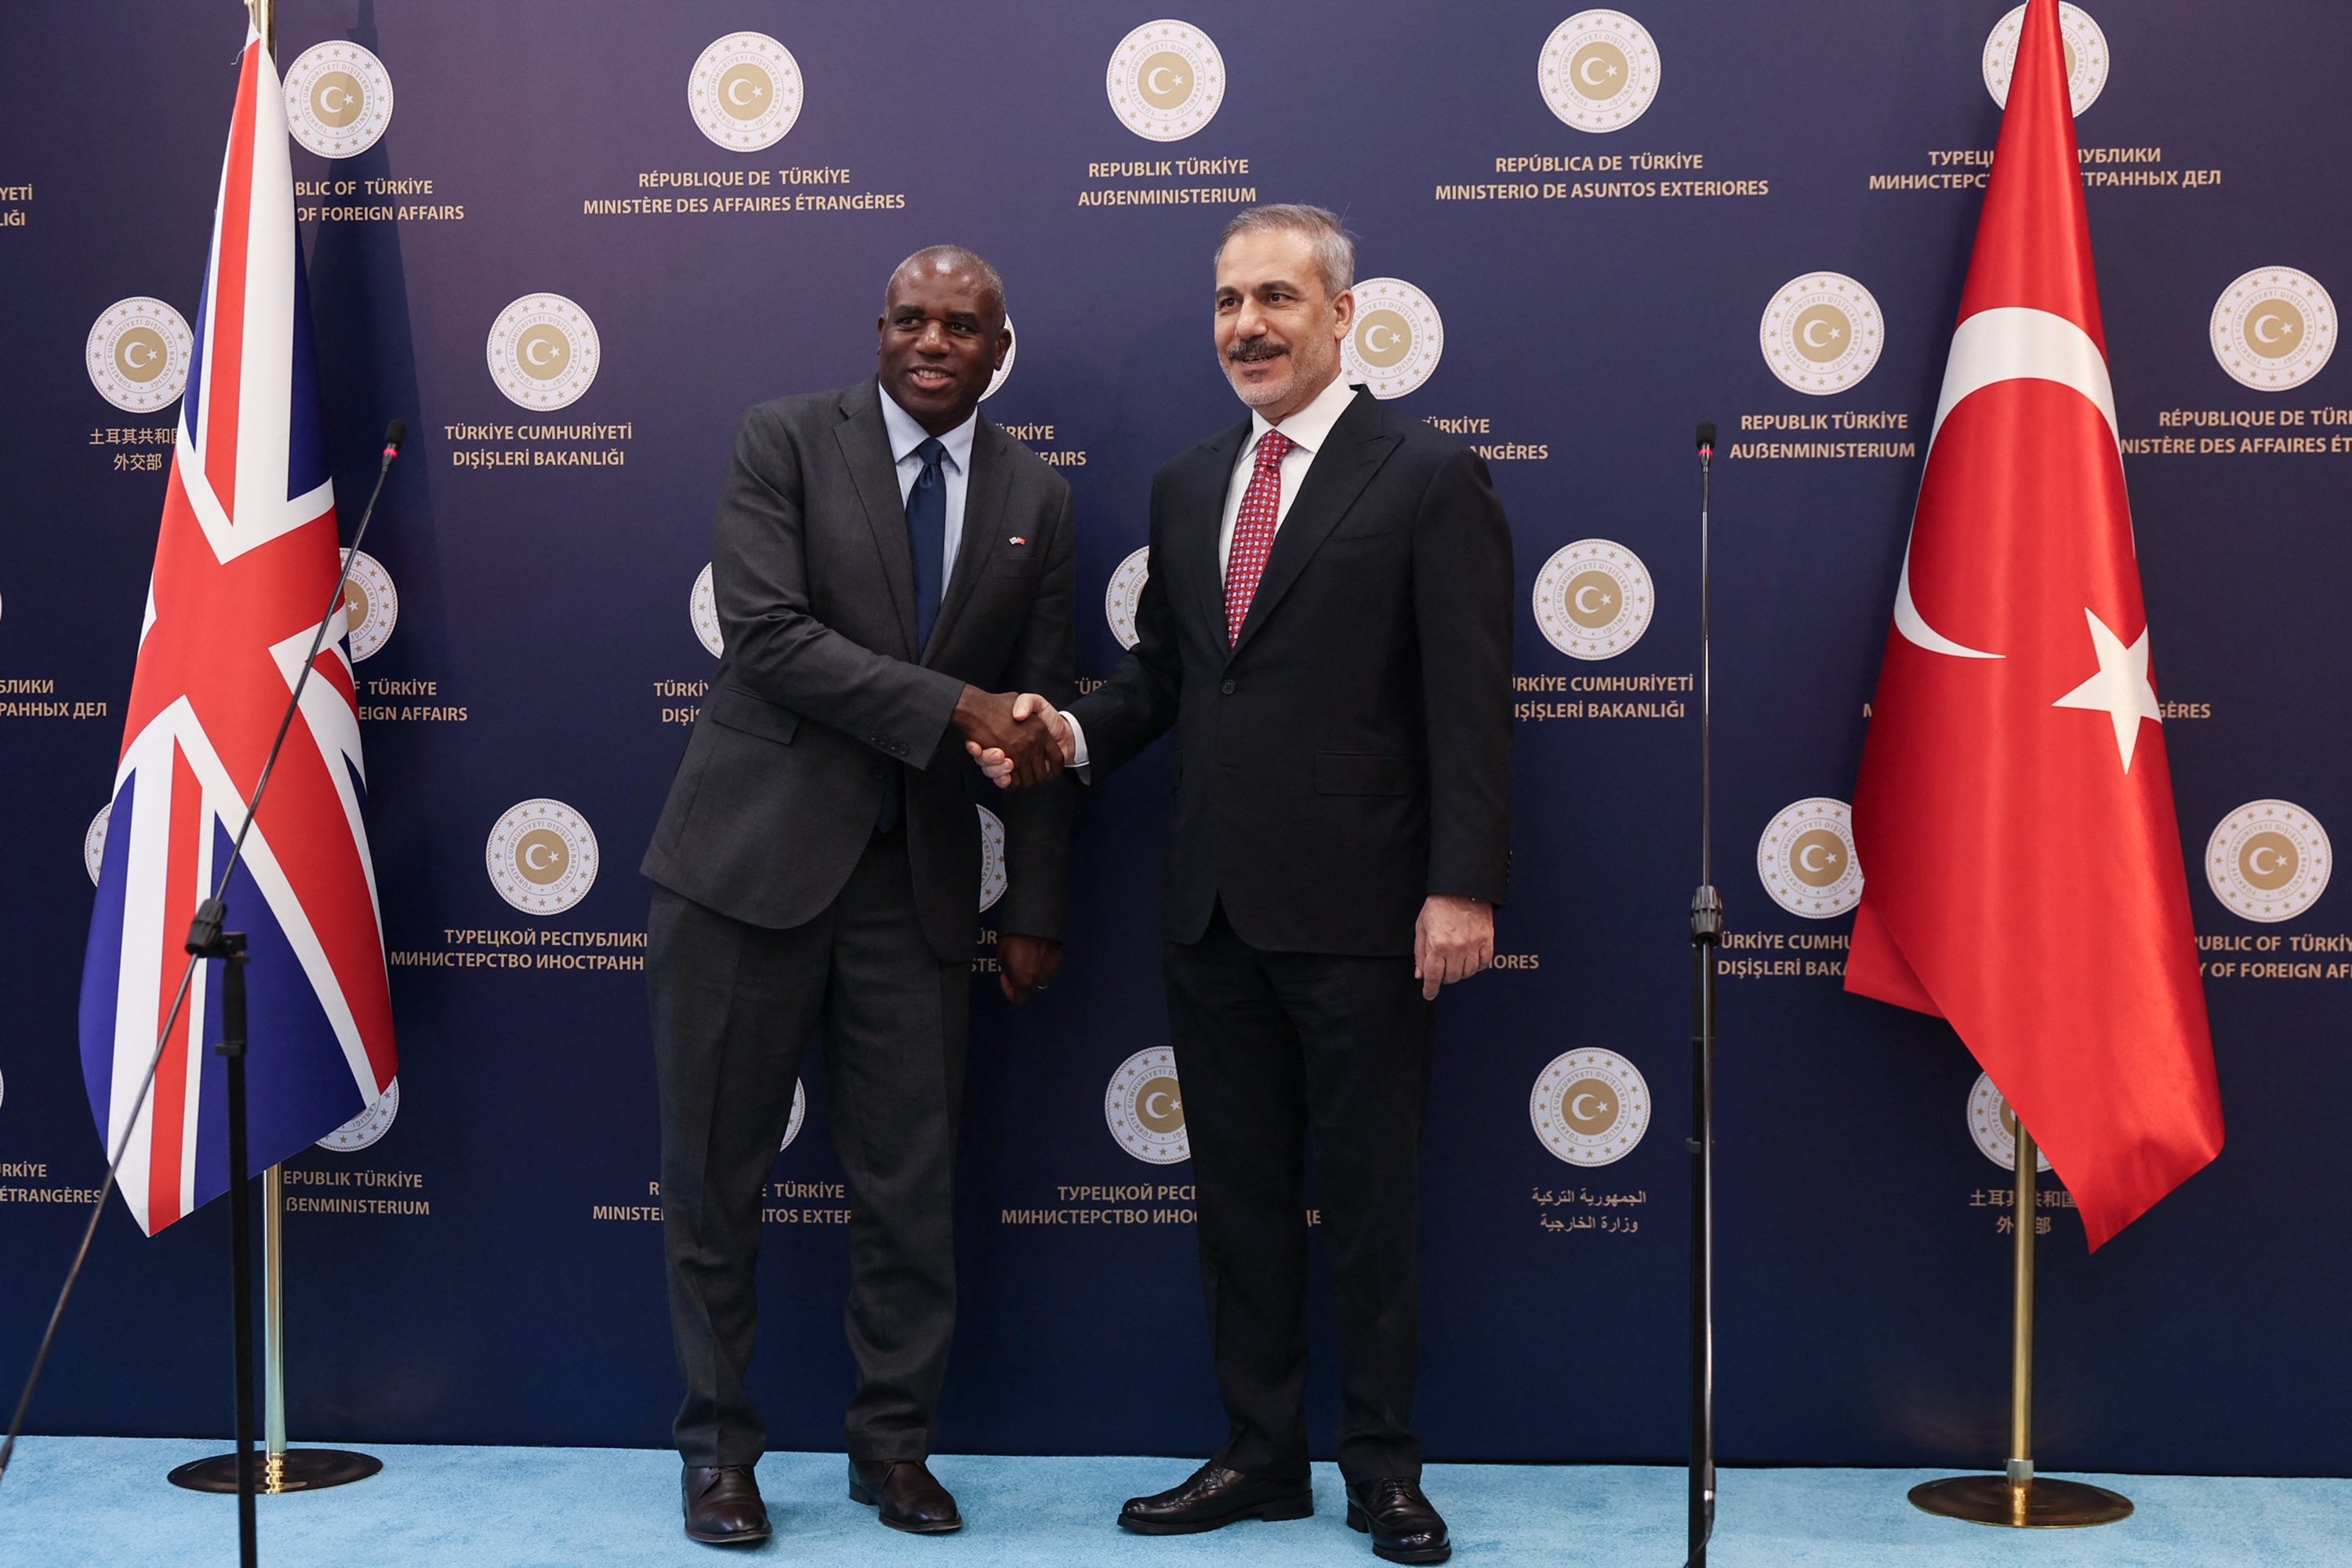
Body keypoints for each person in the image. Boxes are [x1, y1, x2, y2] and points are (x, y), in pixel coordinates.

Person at [975, 205, 1513, 1565]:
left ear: (1344, 312)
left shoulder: (1429, 475)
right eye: (1227, 302)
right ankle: (1263, 1458)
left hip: (1367, 915)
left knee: (1375, 1205)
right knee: (1240, 1202)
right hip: (1210, 910)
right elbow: (1167, 674)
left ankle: (1384, 1468)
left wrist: (1462, 885)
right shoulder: (1189, 480)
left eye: (1276, 298)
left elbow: (1471, 706)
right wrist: (1070, 735)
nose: (1247, 327)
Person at [641, 245, 1074, 1547]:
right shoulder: (781, 440)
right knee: (715, 1180)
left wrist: (1035, 904)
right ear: (877, 330)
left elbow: (1044, 714)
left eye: (962, 325)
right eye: (910, 319)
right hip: (743, 872)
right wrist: (954, 706)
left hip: (921, 891)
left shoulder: (1036, 498)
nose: (932, 341)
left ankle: (895, 1452)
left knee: (909, 1191)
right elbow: (765, 637)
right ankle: (720, 1455)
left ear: (1001, 350)